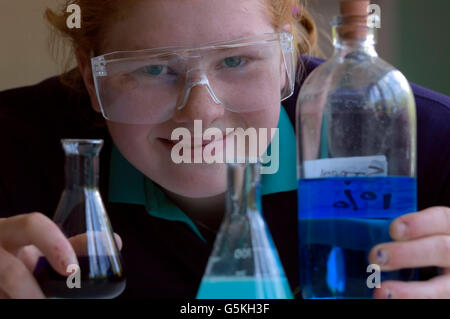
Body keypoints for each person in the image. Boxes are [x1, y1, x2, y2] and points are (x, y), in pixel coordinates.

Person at [0, 0, 449, 299]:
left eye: (235, 61)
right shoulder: (13, 145)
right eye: (154, 68)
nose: (200, 114)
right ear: (90, 76)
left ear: (287, 55)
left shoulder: (427, 139)